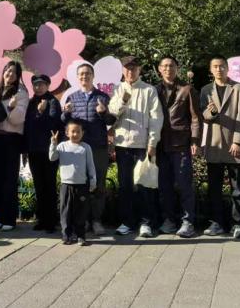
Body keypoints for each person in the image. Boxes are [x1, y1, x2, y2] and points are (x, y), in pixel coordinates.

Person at [109, 55, 163, 238]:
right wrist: (123, 101)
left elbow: (156, 118)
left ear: (139, 69)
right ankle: (127, 222)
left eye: (133, 68)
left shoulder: (149, 90)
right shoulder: (117, 88)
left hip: (142, 145)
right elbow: (112, 116)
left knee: (143, 185)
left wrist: (152, 143)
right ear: (122, 70)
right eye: (127, 68)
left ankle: (146, 223)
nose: (130, 71)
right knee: (125, 185)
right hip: (122, 145)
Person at [198, 56, 240, 239]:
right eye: (215, 66)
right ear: (210, 69)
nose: (219, 69)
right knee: (214, 188)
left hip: (233, 145)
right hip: (215, 144)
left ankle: (238, 224)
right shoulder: (206, 90)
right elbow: (204, 116)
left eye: (222, 66)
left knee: (237, 189)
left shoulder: (239, 89)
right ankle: (216, 223)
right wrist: (211, 112)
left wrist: (237, 141)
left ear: (228, 68)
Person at [61, 63, 116, 236]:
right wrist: (66, 113)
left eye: (88, 73)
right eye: (81, 74)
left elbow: (111, 121)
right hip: (78, 148)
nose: (84, 76)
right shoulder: (72, 97)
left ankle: (97, 220)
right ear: (78, 77)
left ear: (93, 76)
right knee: (80, 185)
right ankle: (82, 221)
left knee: (98, 183)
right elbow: (64, 122)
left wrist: (103, 112)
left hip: (98, 147)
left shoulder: (103, 96)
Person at [155, 56, 201, 238]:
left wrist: (195, 141)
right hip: (160, 144)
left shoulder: (187, 89)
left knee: (184, 184)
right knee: (164, 186)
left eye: (171, 66)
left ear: (177, 68)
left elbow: (196, 117)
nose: (168, 69)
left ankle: (188, 221)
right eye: (165, 66)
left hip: (181, 143)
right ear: (159, 69)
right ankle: (168, 220)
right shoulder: (154, 90)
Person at [0, 61, 29, 231]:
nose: (10, 74)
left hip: (11, 139)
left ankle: (9, 219)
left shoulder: (21, 93)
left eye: (14, 72)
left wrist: (11, 108)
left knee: (9, 179)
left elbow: (17, 120)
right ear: (3, 72)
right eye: (8, 70)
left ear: (18, 75)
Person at [24, 73, 63, 233]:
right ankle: (41, 218)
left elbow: (54, 123)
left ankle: (51, 221)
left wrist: (41, 113)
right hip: (34, 150)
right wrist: (25, 149)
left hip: (49, 150)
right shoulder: (31, 102)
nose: (38, 87)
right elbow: (27, 126)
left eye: (41, 84)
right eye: (36, 84)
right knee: (39, 185)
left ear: (48, 86)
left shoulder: (53, 101)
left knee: (49, 185)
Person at [50, 121, 96, 246]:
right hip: (66, 184)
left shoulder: (86, 147)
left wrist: (93, 181)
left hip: (81, 185)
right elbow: (52, 157)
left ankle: (80, 235)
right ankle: (67, 235)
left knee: (81, 211)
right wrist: (53, 143)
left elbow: (90, 166)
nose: (75, 134)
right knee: (65, 211)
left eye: (78, 131)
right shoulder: (62, 146)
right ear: (67, 133)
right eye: (73, 131)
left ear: (82, 133)